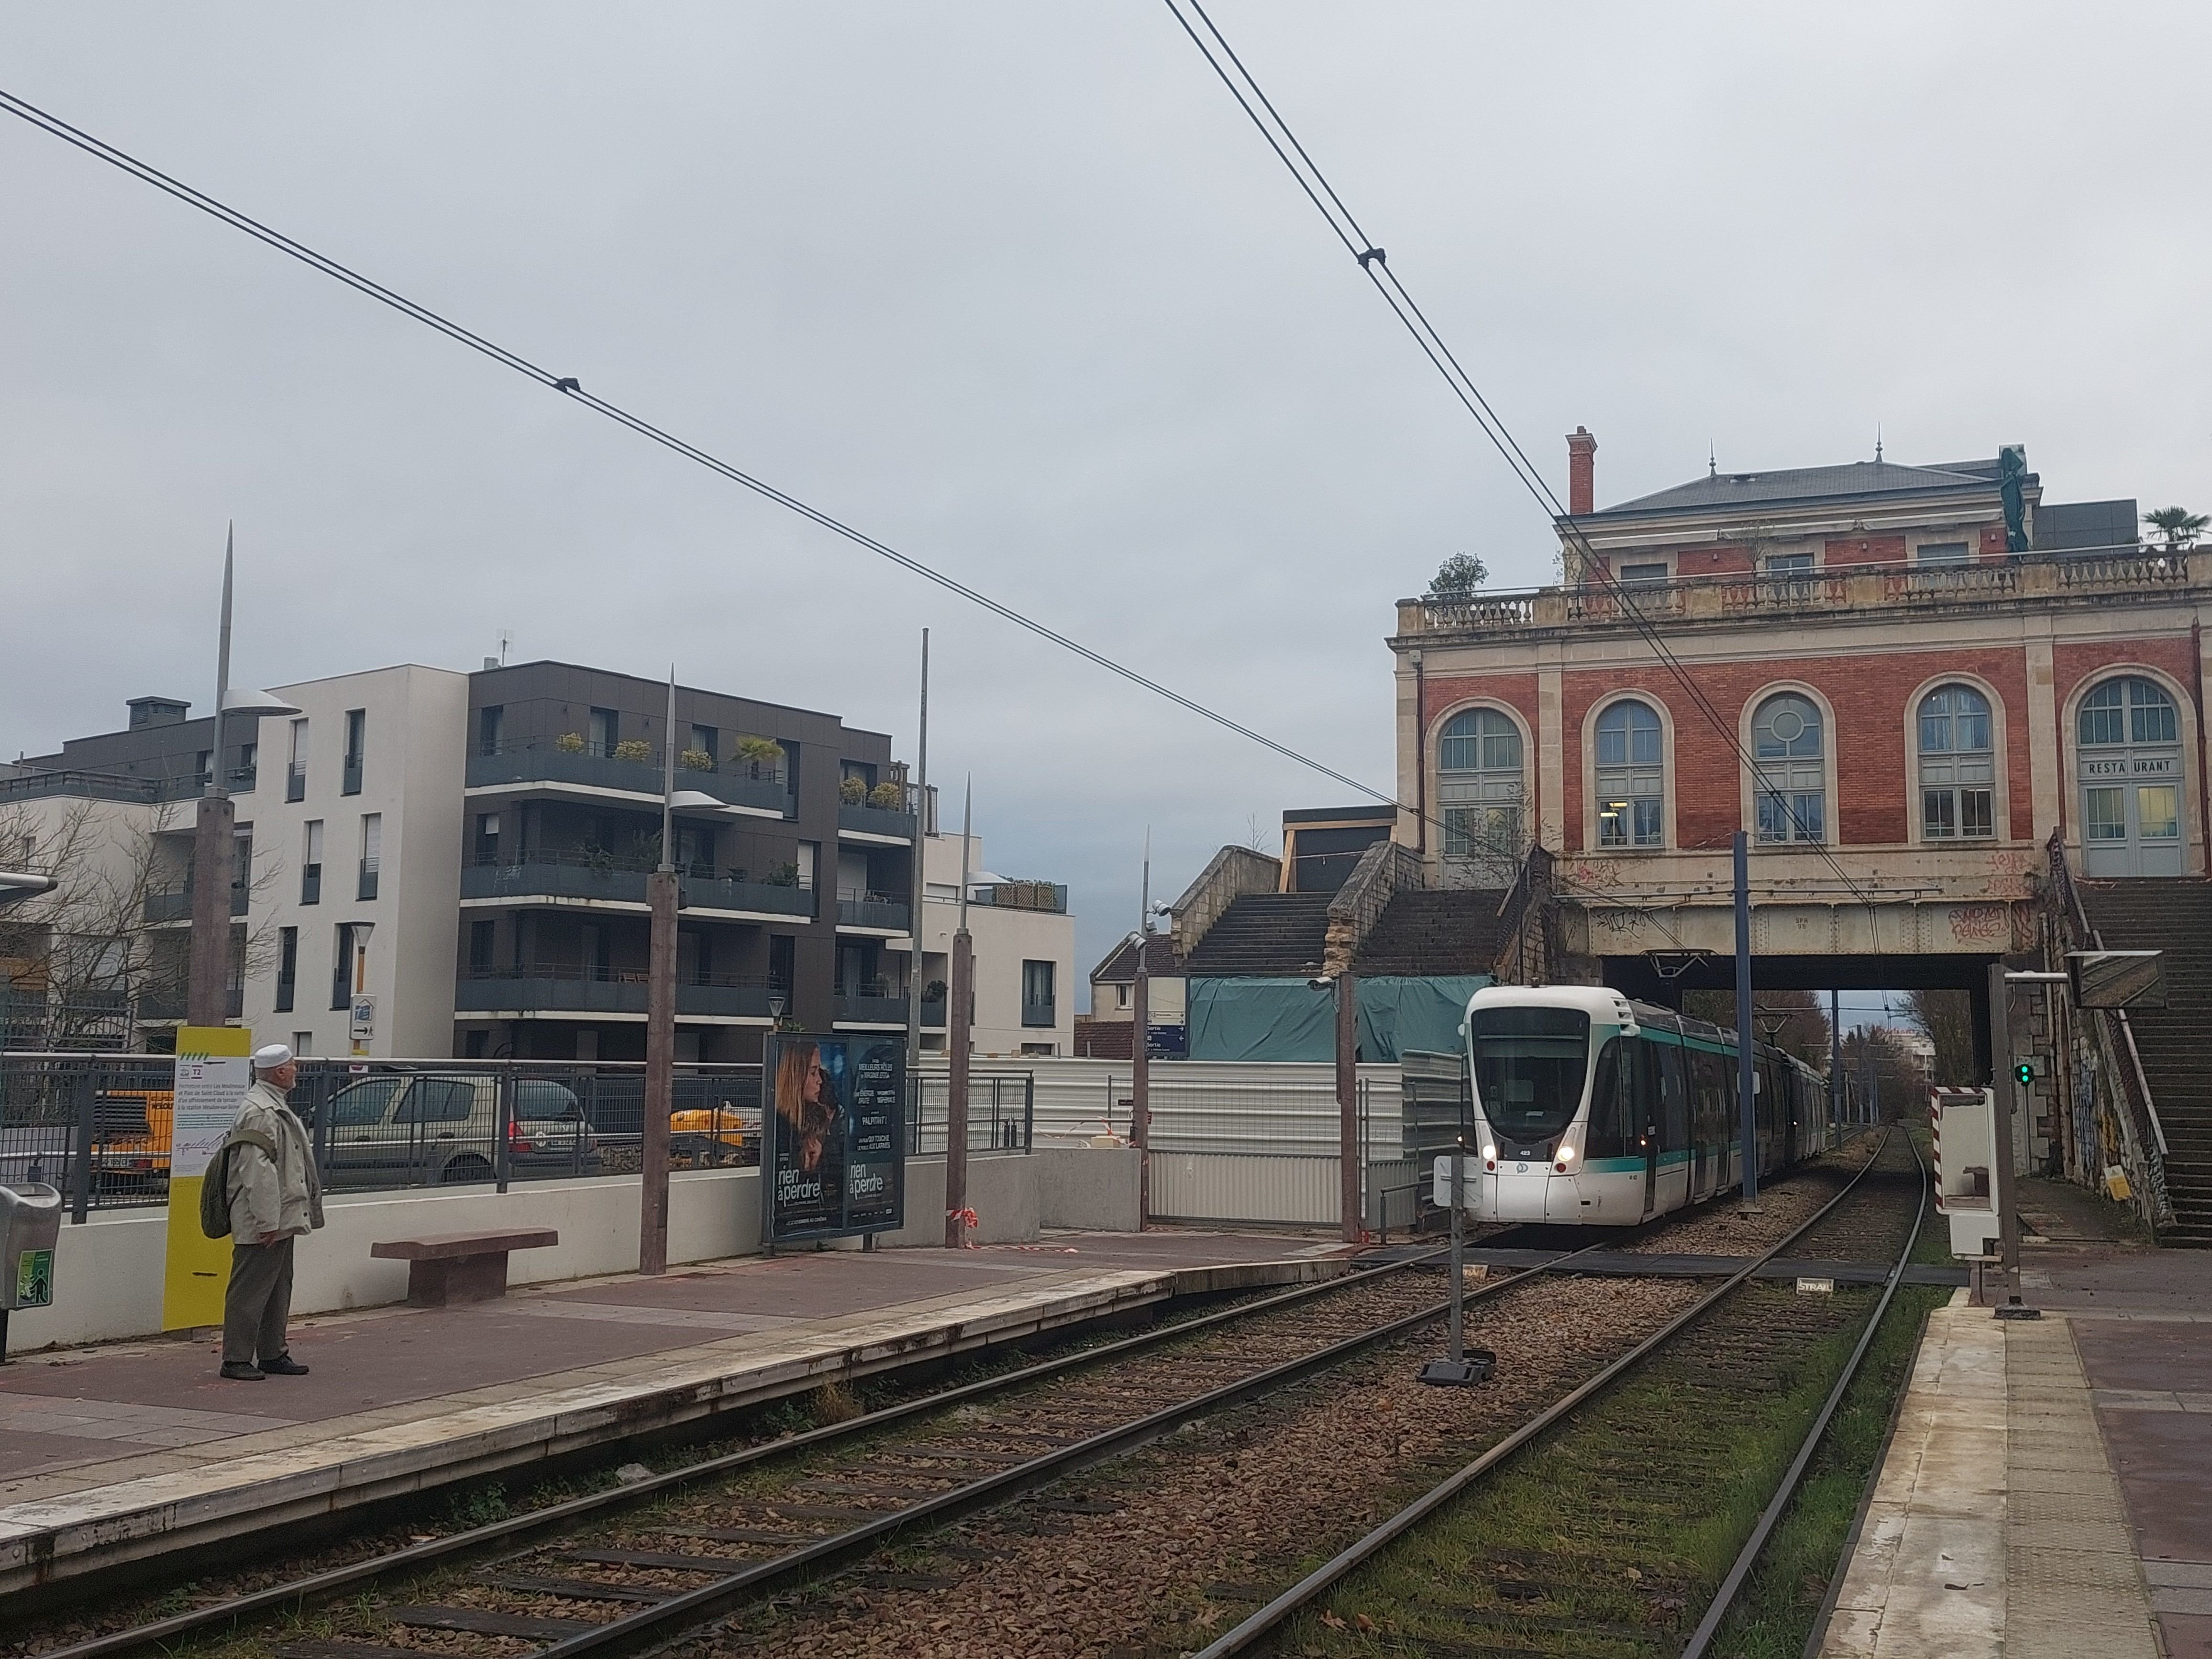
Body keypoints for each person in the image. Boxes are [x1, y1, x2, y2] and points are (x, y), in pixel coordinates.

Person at [220, 1044, 324, 1381]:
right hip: (266, 1219)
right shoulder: (261, 1112)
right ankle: (236, 1359)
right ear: (279, 1072)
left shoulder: (272, 1106)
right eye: (293, 1064)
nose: (297, 1069)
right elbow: (256, 1171)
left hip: (281, 1216)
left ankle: (272, 1353)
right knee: (250, 1291)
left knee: (278, 1287)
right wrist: (267, 1221)